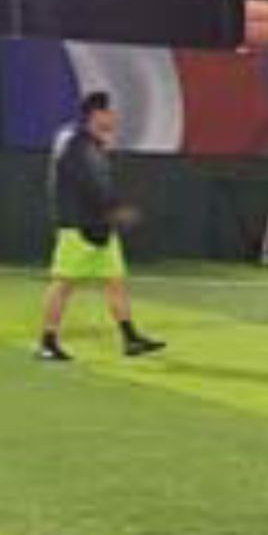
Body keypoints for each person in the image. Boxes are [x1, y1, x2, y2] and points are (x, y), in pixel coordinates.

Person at [35, 91, 165, 362]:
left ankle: (130, 338)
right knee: (63, 284)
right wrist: (116, 208)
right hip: (78, 226)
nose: (113, 117)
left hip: (100, 225)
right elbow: (92, 183)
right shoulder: (79, 143)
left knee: (115, 282)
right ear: (95, 115)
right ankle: (47, 343)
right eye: (108, 111)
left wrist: (110, 210)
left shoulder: (86, 142)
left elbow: (96, 182)